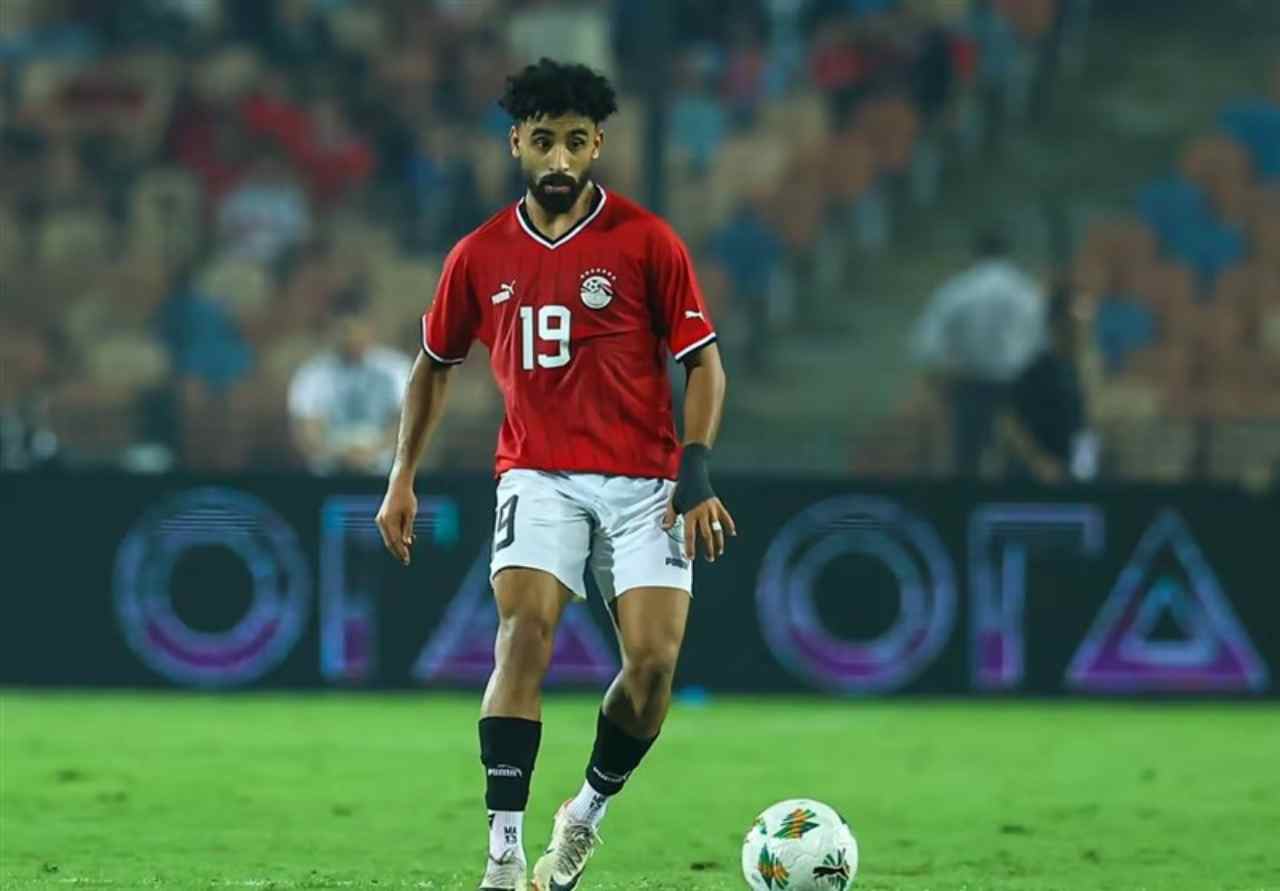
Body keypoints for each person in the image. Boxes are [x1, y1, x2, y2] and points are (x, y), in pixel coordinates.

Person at [373, 58, 735, 891]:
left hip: (646, 482)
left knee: (652, 666)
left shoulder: (647, 241)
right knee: (523, 630)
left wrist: (697, 467)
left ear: (598, 143)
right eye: (544, 141)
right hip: (537, 474)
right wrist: (402, 475)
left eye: (576, 141)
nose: (560, 159)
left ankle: (585, 815)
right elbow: (433, 365)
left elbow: (704, 362)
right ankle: (503, 855)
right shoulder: (479, 254)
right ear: (516, 144)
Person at [910, 230, 1046, 477]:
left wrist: (944, 372)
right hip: (1019, 384)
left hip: (971, 382)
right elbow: (1040, 342)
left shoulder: (959, 289)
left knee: (967, 457)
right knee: (1019, 456)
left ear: (977, 253)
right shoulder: (1026, 291)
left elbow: (928, 345)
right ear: (1006, 252)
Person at [288, 290, 412, 476]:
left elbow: (406, 424)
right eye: (345, 330)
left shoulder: (397, 369)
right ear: (332, 330)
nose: (351, 337)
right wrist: (338, 455)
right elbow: (307, 431)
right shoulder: (312, 374)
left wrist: (374, 453)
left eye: (357, 328)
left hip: (385, 473)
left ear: (370, 327)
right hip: (329, 474)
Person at [999, 286, 1100, 484]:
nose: (1082, 331)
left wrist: (1085, 470)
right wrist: (1039, 462)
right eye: (1076, 324)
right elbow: (1010, 423)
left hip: (1070, 476)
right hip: (1036, 478)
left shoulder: (1077, 371)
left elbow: (1085, 424)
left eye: (1086, 326)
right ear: (1058, 324)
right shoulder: (1035, 369)